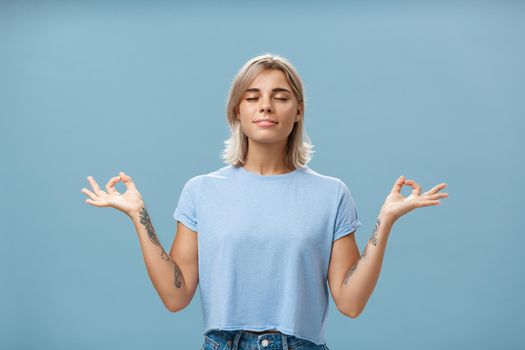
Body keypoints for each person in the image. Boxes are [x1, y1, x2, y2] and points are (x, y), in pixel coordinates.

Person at [81, 53, 449, 350]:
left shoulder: (332, 193)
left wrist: (385, 221)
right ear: (236, 112)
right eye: (252, 97)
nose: (266, 106)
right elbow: (176, 296)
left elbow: (350, 303)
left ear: (299, 110)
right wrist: (138, 216)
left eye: (281, 97)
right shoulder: (200, 191)